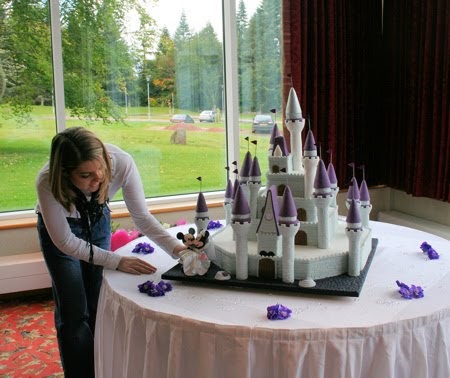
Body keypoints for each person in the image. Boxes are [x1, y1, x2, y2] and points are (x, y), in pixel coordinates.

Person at [35, 126, 188, 378]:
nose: (97, 181)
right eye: (86, 176)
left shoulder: (122, 163)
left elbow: (141, 217)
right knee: (74, 311)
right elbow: (65, 242)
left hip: (97, 220)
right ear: (65, 173)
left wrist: (177, 249)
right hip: (61, 232)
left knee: (99, 301)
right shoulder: (46, 181)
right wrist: (117, 261)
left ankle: (102, 369)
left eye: (101, 172)